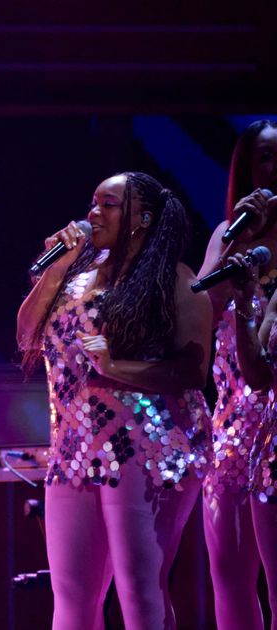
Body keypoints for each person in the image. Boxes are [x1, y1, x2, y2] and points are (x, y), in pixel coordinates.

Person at [16, 172, 212, 629]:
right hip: (74, 451)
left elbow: (192, 371)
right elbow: (26, 335)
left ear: (142, 218)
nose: (93, 214)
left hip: (143, 450)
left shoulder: (174, 279)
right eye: (93, 203)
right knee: (71, 599)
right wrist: (54, 270)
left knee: (139, 593)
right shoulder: (73, 278)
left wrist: (117, 369)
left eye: (109, 204)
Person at [199, 120, 277, 630]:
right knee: (228, 578)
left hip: (275, 422)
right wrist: (238, 237)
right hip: (231, 425)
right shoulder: (227, 236)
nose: (275, 168)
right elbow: (202, 308)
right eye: (267, 157)